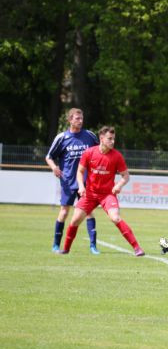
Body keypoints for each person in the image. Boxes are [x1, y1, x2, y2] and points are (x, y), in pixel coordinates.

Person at [59, 126, 145, 256]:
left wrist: (119, 185)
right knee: (75, 220)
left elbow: (126, 176)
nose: (112, 141)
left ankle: (137, 248)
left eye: (113, 139)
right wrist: (81, 186)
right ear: (101, 139)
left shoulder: (117, 156)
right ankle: (65, 249)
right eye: (109, 139)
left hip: (107, 194)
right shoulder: (89, 152)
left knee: (115, 218)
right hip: (90, 194)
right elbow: (80, 171)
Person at [46, 108, 100, 254]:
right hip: (68, 181)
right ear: (70, 120)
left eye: (81, 118)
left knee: (89, 212)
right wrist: (54, 168)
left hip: (86, 182)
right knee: (64, 212)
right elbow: (49, 156)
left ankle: (93, 246)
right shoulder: (62, 138)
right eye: (77, 118)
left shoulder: (90, 136)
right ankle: (56, 245)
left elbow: (100, 152)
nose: (80, 121)